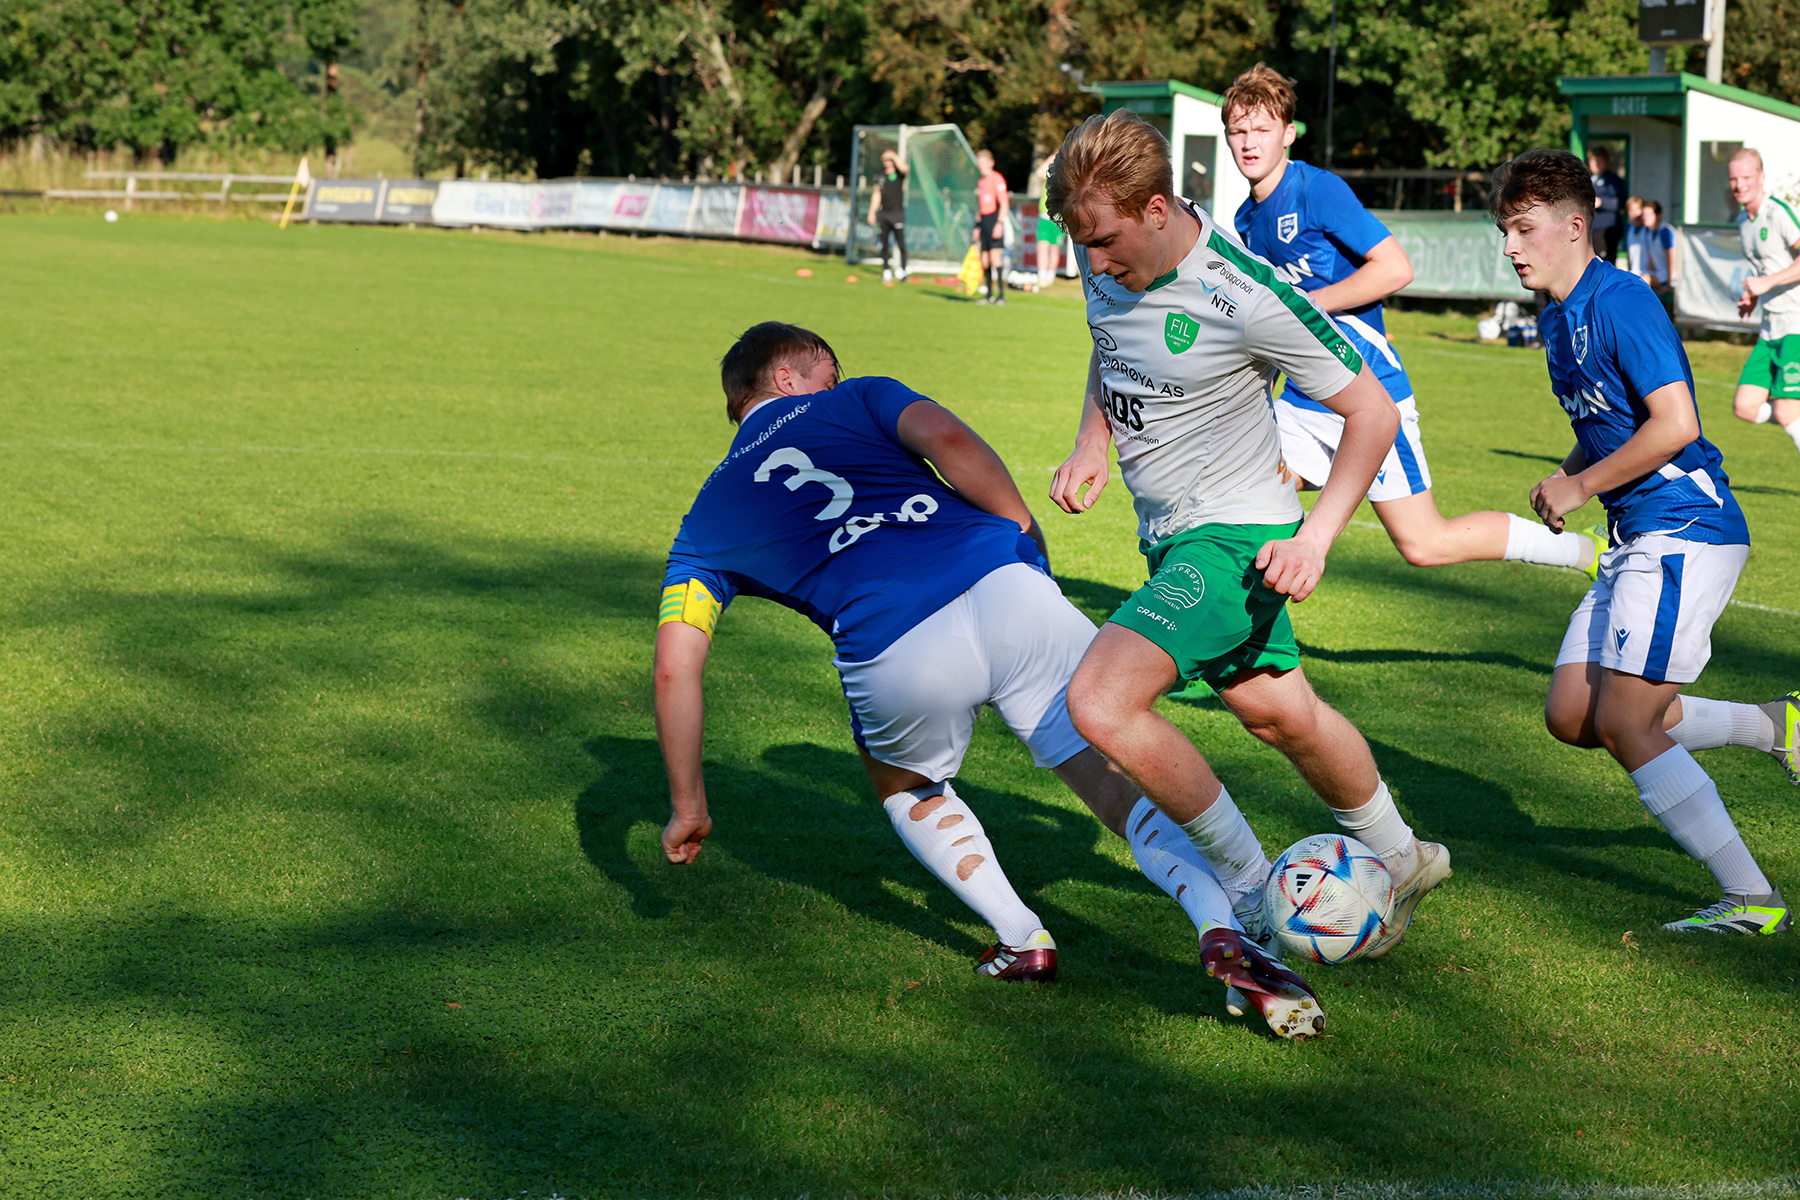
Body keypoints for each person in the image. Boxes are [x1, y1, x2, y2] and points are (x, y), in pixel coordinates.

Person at [656, 321, 1327, 1036]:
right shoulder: (860, 397)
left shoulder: (704, 522)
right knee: (1106, 771)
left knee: (907, 786)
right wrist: (1024, 534)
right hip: (1008, 588)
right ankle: (1221, 923)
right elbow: (948, 439)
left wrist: (688, 804)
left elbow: (675, 667)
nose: (834, 381)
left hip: (896, 650)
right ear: (787, 377)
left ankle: (1021, 939)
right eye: (827, 371)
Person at [1044, 108, 1453, 974]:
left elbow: (1372, 412)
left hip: (1235, 539)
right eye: (1084, 244)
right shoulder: (1102, 244)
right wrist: (1092, 440)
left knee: (1101, 701)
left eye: (1107, 242)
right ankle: (1404, 853)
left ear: (1158, 209)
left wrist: (1318, 536)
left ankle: (1249, 888)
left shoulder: (1248, 295)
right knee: (1283, 716)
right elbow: (1108, 341)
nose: (1096, 262)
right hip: (1174, 535)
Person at [1492, 147, 1792, 937]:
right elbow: (1610, 422)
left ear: (1574, 226)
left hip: (1685, 528)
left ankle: (1753, 899)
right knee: (1573, 714)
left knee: (1627, 723)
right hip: (1637, 535)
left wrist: (1581, 487)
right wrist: (1569, 471)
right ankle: (1774, 727)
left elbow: (1677, 424)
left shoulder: (1622, 300)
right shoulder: (1556, 317)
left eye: (1524, 229)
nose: (1512, 247)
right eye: (1505, 231)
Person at [1220, 64, 1603, 578]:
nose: (1249, 142)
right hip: (1306, 393)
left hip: (1368, 385)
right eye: (1239, 130)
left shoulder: (1316, 190)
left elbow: (1396, 269)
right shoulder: (1246, 219)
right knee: (1241, 485)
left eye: (1262, 129)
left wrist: (1310, 303)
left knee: (1425, 543)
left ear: (1288, 134)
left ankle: (1584, 552)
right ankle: (1222, 613)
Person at [1726, 147, 1800, 453]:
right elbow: (1764, 269)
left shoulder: (1777, 212)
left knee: (1786, 410)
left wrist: (1766, 283)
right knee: (1745, 406)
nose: (1739, 185)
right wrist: (1753, 295)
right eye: (1734, 178)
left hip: (1795, 324)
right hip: (1770, 327)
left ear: (1761, 177)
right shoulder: (1744, 221)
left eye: (1746, 177)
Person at [866, 148, 908, 286]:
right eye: (884, 159)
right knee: (884, 244)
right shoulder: (881, 175)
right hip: (884, 214)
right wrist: (872, 212)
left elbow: (905, 168)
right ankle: (886, 270)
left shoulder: (899, 173)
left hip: (897, 214)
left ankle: (902, 270)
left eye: (889, 159)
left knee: (900, 244)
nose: (886, 162)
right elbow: (877, 194)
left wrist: (893, 155)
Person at [974, 149, 1011, 304]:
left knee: (995, 258)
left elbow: (1004, 202)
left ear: (991, 163)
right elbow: (980, 206)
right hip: (984, 221)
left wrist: (999, 223)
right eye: (979, 163)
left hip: (994, 219)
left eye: (983, 163)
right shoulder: (981, 182)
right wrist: (977, 227)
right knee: (984, 259)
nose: (981, 166)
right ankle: (989, 295)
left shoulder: (997, 178)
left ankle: (1001, 295)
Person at [1588, 145, 1625, 265]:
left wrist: (1601, 202)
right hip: (1591, 228)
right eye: (1593, 161)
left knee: (1604, 264)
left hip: (1607, 229)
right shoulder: (1588, 179)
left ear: (1605, 162)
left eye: (1599, 161)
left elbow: (1620, 202)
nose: (1595, 164)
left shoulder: (1613, 181)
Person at [1636, 200, 1677, 294]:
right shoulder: (1648, 232)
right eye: (1644, 214)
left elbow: (1671, 257)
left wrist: (1669, 283)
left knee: (1640, 281)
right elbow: (1651, 260)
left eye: (1649, 214)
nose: (1645, 217)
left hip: (1668, 277)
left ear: (1658, 215)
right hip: (1658, 275)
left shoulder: (1665, 231)